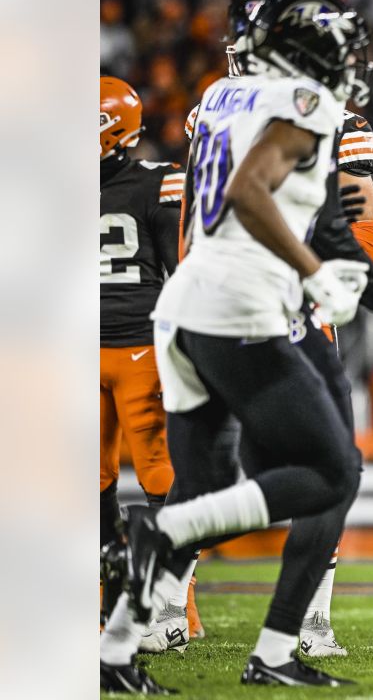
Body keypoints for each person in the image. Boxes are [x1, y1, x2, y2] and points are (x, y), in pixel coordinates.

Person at [135, 0, 373, 659]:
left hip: (198, 303)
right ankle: (298, 627)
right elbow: (356, 228)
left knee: (204, 474)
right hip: (269, 309)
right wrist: (342, 281)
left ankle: (151, 619)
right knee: (329, 469)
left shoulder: (215, 102)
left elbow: (193, 224)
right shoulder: (306, 107)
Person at [98, 76, 203, 636]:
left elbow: (181, 267)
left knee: (161, 476)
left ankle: (172, 603)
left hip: (140, 346)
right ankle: (104, 600)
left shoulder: (158, 183)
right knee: (91, 482)